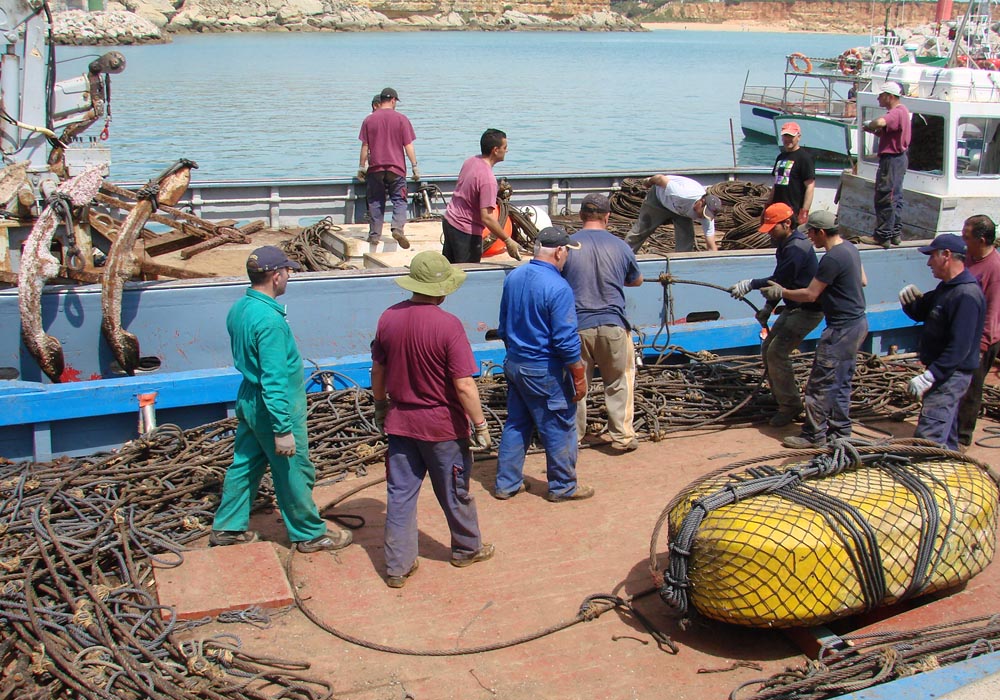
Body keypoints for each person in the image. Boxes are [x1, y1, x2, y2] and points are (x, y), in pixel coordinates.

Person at [211, 246, 352, 552]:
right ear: (276, 276)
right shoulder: (270, 322)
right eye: (287, 271)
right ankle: (309, 534)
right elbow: (273, 379)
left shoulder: (240, 308)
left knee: (245, 464)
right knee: (292, 469)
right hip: (273, 406)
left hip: (249, 399)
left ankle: (227, 528)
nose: (289, 276)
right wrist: (283, 429)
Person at [371, 251, 494, 588]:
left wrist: (380, 405)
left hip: (400, 424)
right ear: (442, 289)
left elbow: (378, 369)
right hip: (441, 427)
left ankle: (397, 566)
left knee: (400, 495)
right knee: (454, 491)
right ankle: (467, 548)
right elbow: (464, 384)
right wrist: (480, 425)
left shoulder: (388, 319)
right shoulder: (448, 325)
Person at [494, 227, 593, 502]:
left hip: (515, 363)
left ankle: (507, 483)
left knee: (517, 423)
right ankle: (563, 487)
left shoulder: (514, 277)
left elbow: (503, 326)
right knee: (559, 426)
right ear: (560, 252)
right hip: (543, 370)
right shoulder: (559, 287)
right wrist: (579, 374)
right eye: (567, 253)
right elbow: (565, 340)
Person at [760, 212, 869, 449]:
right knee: (841, 380)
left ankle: (813, 435)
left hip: (841, 328)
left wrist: (781, 293)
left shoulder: (832, 259)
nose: (808, 236)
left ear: (821, 232)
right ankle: (840, 431)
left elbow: (810, 294)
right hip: (858, 323)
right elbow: (863, 281)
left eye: (811, 232)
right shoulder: (850, 248)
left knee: (820, 383)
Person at [562, 193, 644, 452]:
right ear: (607, 217)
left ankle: (572, 437)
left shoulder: (568, 245)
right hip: (613, 325)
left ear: (581, 216)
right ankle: (622, 436)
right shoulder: (621, 246)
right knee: (620, 380)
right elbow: (636, 279)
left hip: (576, 328)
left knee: (576, 384)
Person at [729, 203, 823, 427]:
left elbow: (780, 280)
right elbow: (780, 285)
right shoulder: (785, 244)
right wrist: (767, 309)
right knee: (767, 348)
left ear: (787, 223)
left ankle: (790, 406)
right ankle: (783, 398)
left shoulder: (795, 248)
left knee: (777, 352)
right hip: (793, 307)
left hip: (808, 310)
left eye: (773, 228)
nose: (770, 233)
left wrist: (751, 284)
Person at [899, 234, 986, 451]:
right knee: (947, 435)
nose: (929, 263)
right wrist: (911, 305)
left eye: (932, 256)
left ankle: (926, 479)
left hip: (951, 376)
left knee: (929, 436)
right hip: (944, 372)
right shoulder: (946, 288)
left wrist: (931, 376)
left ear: (946, 255)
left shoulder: (965, 295)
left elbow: (959, 348)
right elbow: (924, 312)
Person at [442, 128, 521, 264]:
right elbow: (487, 218)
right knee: (466, 276)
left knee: (449, 269)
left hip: (449, 221)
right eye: (505, 147)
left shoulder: (470, 161)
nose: (506, 151)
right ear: (495, 150)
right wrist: (508, 240)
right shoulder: (488, 180)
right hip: (465, 232)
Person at [358, 87, 419, 249]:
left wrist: (361, 167)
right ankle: (397, 228)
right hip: (396, 168)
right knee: (399, 199)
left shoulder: (369, 120)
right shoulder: (402, 119)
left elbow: (365, 146)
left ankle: (374, 235)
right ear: (393, 100)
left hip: (375, 168)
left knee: (376, 201)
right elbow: (408, 146)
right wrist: (414, 166)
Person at [958, 215, 1000, 448]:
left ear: (981, 240)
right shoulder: (968, 258)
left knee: (971, 389)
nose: (964, 242)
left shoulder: (995, 268)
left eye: (967, 238)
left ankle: (963, 438)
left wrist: (982, 347)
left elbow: (994, 311)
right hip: (962, 333)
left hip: (982, 339)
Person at [861, 82, 911, 248]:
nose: (878, 98)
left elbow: (881, 123)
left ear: (890, 96)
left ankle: (882, 236)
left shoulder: (896, 112)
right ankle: (894, 233)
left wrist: (870, 124)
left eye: (881, 95)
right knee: (895, 197)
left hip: (891, 161)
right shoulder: (902, 112)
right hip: (899, 159)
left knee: (885, 195)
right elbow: (887, 132)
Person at [624, 174, 723, 253]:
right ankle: (623, 256)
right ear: (701, 202)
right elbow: (660, 178)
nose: (701, 217)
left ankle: (682, 265)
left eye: (706, 215)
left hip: (681, 211)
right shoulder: (683, 193)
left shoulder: (707, 217)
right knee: (641, 230)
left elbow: (711, 245)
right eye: (703, 213)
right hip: (659, 200)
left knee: (686, 237)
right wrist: (648, 182)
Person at [767, 122, 815, 226]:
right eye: (785, 136)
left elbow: (810, 186)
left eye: (791, 136)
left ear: (798, 137)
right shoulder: (780, 157)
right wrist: (768, 205)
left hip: (793, 211)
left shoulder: (804, 158)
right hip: (777, 208)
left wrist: (804, 212)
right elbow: (776, 183)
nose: (788, 139)